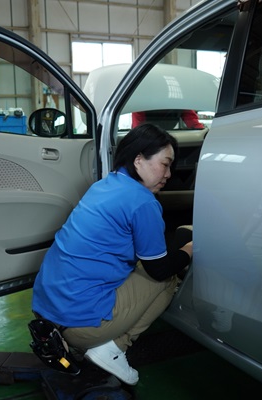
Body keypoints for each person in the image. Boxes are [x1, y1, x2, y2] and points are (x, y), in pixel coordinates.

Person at [32, 123, 193, 385]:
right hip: (79, 328)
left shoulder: (103, 186)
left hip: (47, 314)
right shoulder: (142, 201)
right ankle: (114, 347)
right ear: (139, 160)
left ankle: (91, 339)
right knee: (168, 279)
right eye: (165, 164)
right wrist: (189, 249)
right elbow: (160, 269)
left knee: (142, 267)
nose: (169, 173)